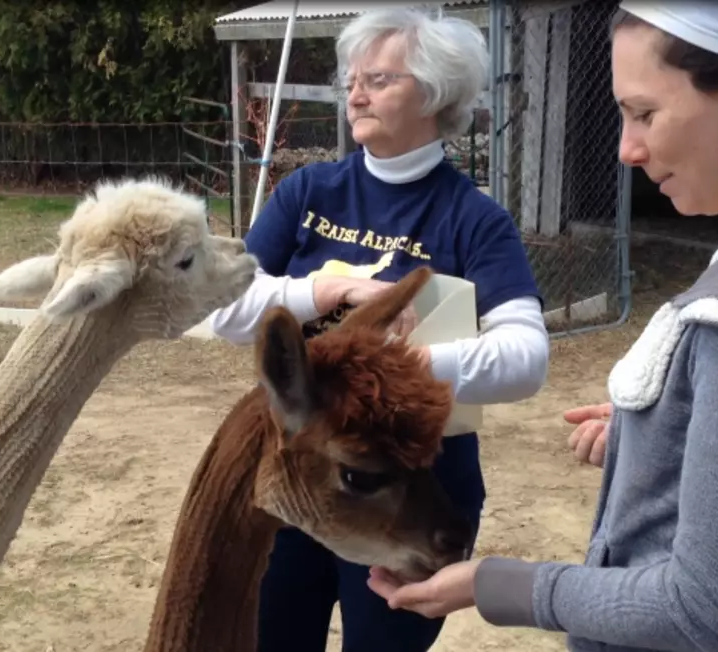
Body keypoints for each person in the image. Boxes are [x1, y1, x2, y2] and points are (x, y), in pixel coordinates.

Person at [367, 2, 718, 651]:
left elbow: (705, 614)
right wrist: (663, 429)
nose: (627, 149)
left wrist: (495, 584)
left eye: (644, 113)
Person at [206, 6, 549, 652]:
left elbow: (526, 358)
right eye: (351, 79)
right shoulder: (307, 193)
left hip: (412, 495)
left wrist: (394, 372)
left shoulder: (474, 220)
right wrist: (327, 290)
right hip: (296, 482)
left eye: (380, 79)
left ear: (435, 93)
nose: (355, 93)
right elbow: (225, 311)